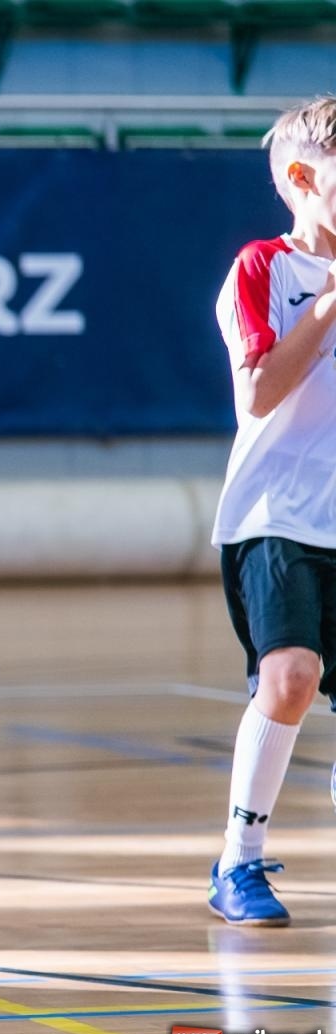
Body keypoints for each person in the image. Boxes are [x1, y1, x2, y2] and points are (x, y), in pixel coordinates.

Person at [207, 95, 336, 927]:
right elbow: (258, 389)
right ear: (302, 179)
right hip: (274, 511)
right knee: (290, 676)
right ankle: (237, 860)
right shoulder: (265, 268)